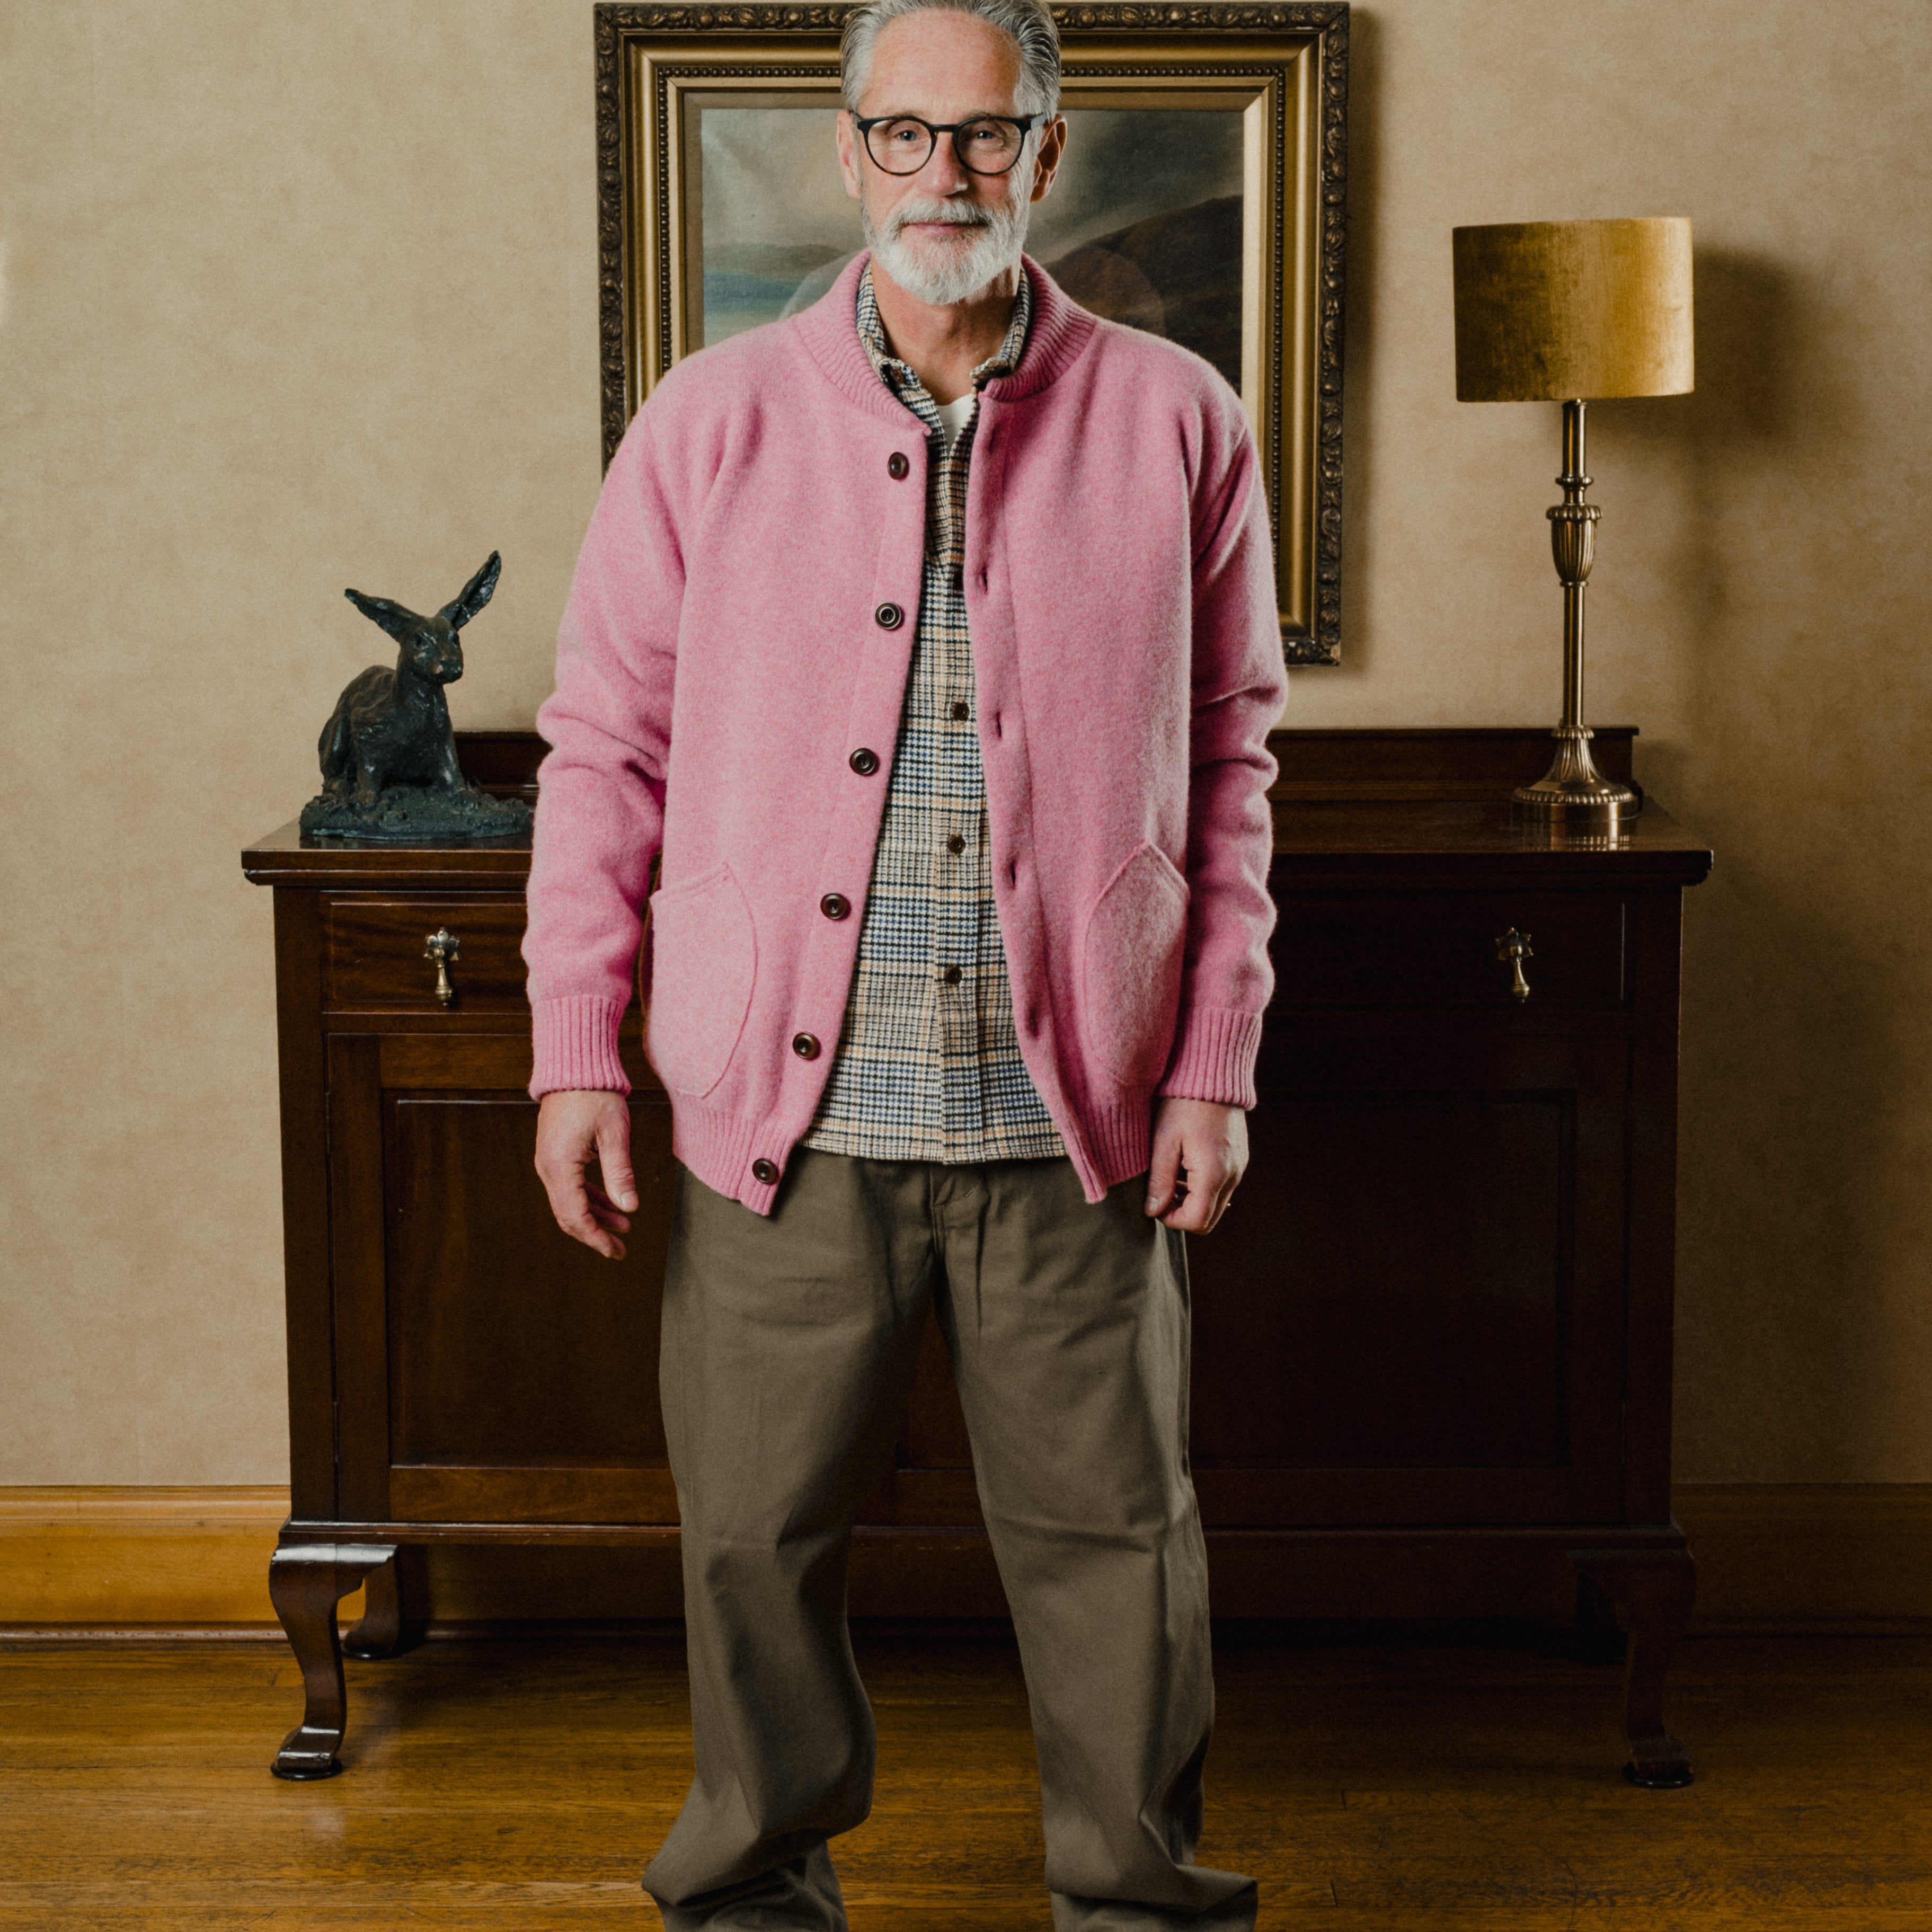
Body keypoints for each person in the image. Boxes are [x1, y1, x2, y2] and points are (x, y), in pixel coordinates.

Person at [524, 0, 1285, 1923]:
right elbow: (604, 751)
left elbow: (1233, 766)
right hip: (784, 1106)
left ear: (1048, 150)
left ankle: (1133, 1894)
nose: (946, 170)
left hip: (1073, 1100)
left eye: (987, 132)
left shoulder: (1182, 416)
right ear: (849, 149)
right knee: (754, 1536)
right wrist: (573, 1052)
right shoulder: (705, 421)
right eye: (907, 132)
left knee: (1118, 1536)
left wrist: (1215, 1058)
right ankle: (756, 1890)